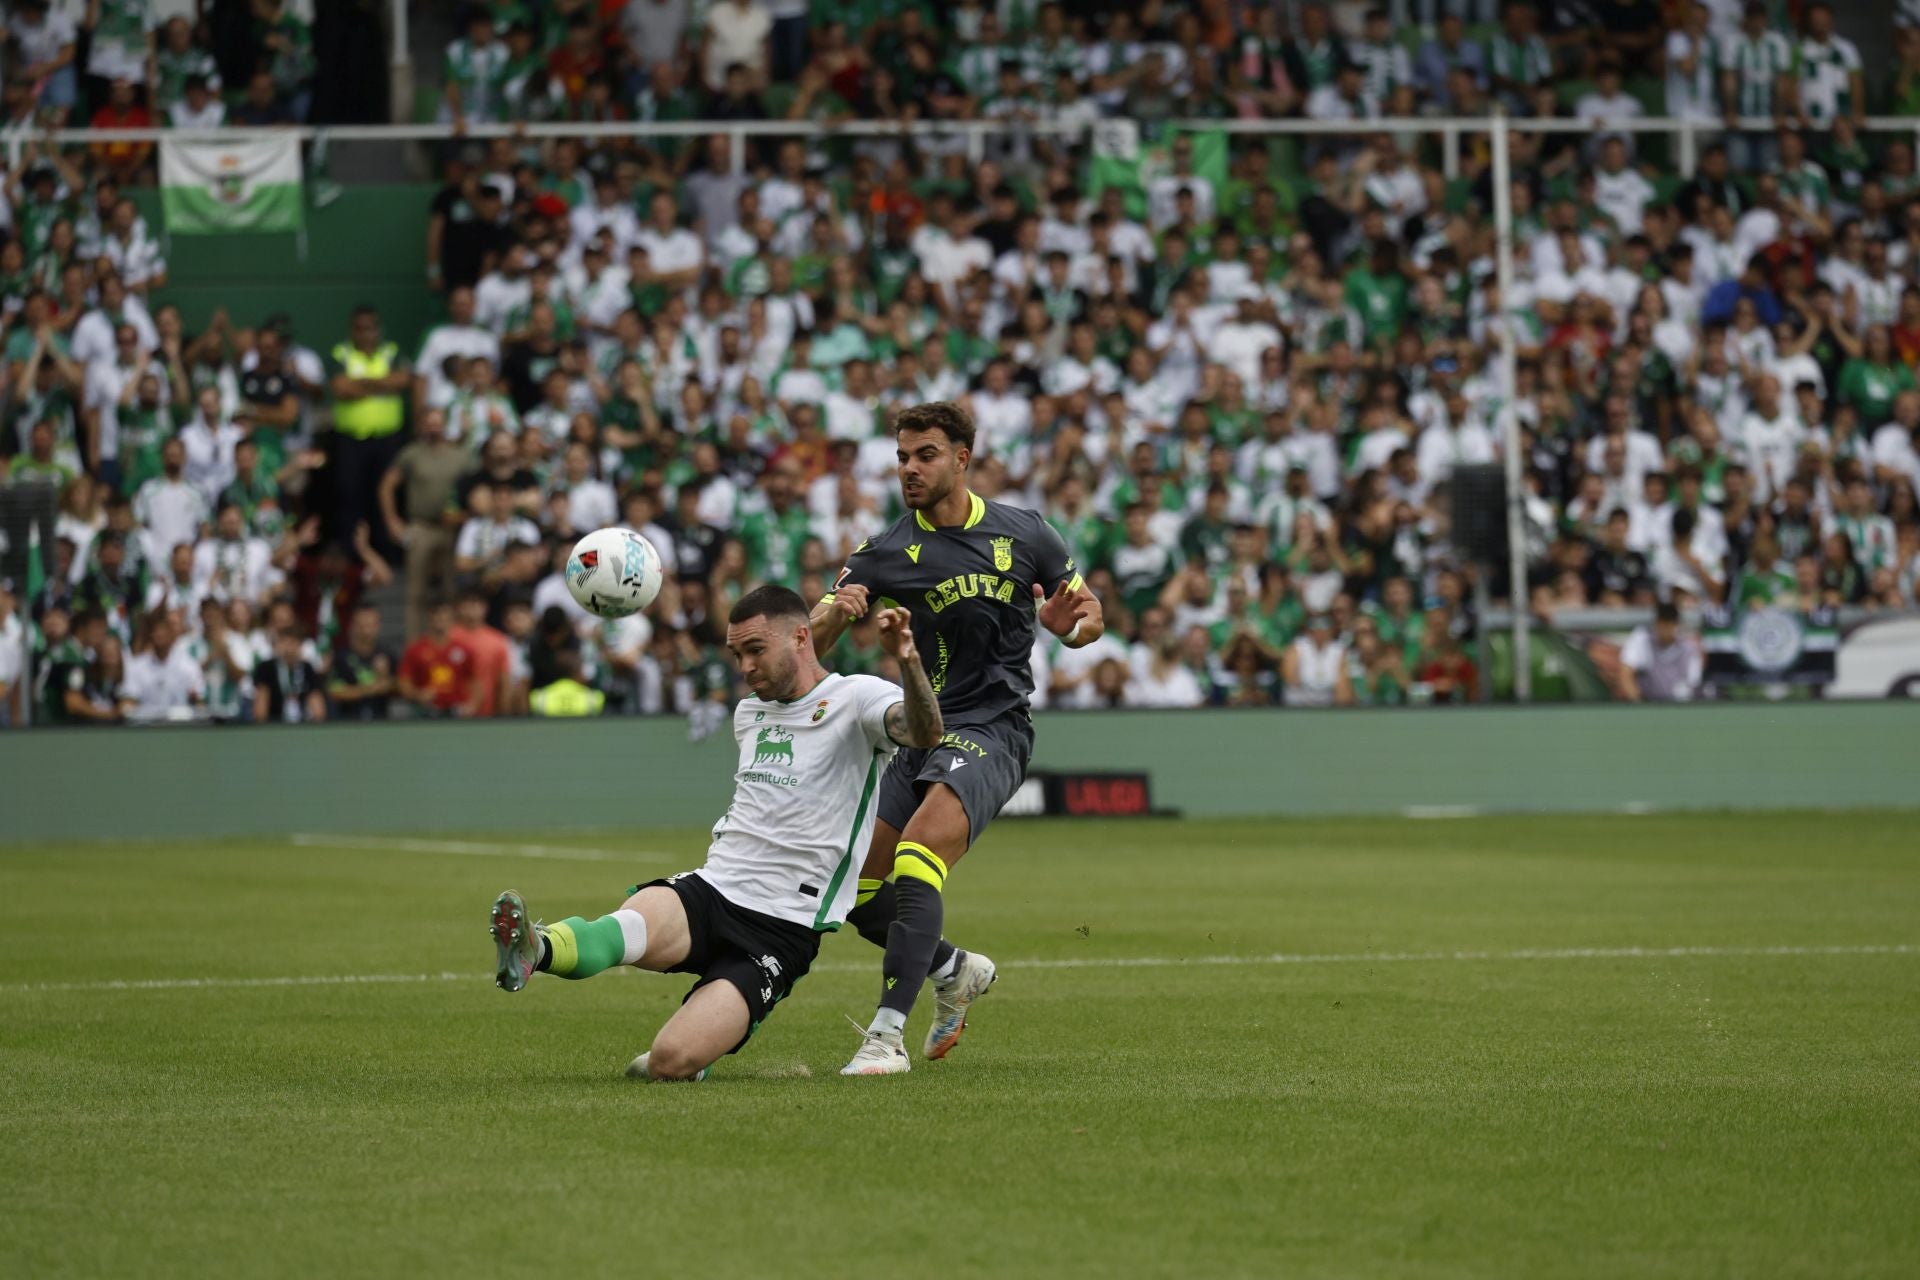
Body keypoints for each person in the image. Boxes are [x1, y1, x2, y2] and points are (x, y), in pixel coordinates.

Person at [490, 585, 942, 1082]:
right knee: (626, 926)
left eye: (755, 650)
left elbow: (925, 733)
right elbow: (796, 656)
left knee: (666, 1064)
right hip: (712, 888)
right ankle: (536, 948)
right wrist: (827, 616)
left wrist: (908, 661)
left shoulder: (859, 698)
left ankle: (705, 1039)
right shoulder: (750, 713)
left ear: (799, 637)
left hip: (782, 927)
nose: (744, 667)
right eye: (736, 653)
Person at [809, 401, 1104, 1075]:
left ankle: (886, 1037)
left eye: (926, 455)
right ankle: (954, 969)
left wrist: (1070, 630)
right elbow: (809, 643)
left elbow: (1091, 614)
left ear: (962, 459)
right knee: (850, 886)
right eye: (902, 457)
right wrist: (836, 616)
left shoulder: (1026, 533)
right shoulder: (883, 551)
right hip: (920, 732)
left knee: (917, 858)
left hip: (994, 729)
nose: (909, 469)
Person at [1618, 603, 1703, 702]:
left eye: (1669, 624)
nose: (1665, 629)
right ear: (1656, 623)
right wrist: (1639, 704)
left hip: (1680, 706)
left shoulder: (1688, 649)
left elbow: (1693, 684)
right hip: (1649, 704)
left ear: (1677, 625)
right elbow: (1625, 674)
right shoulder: (1643, 639)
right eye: (1662, 623)